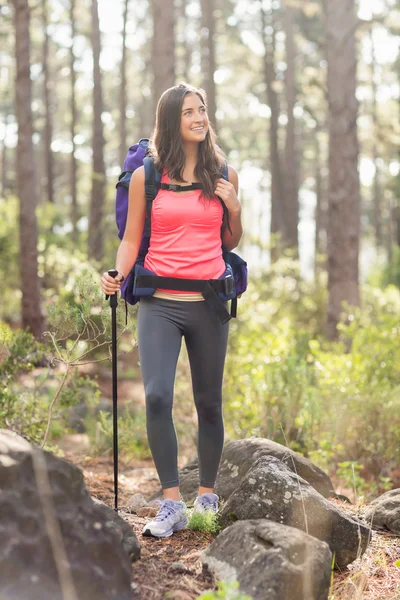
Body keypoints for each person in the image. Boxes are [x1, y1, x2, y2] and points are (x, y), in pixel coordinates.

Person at [101, 83, 243, 538]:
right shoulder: (148, 174)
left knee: (209, 403)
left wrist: (233, 206)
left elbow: (229, 241)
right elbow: (131, 238)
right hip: (159, 304)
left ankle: (206, 495)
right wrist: (117, 273)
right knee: (158, 396)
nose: (200, 118)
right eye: (189, 112)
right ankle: (170, 502)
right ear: (170, 121)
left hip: (208, 303)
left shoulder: (222, 173)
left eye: (202, 110)